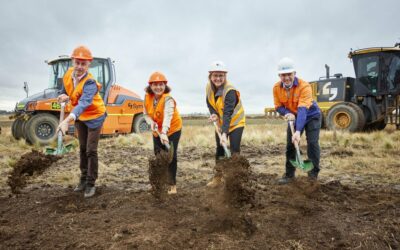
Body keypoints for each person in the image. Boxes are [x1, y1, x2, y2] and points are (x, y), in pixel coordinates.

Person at [57, 45, 107, 198]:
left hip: (94, 117)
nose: (79, 67)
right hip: (80, 117)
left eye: (83, 64)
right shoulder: (68, 75)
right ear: (73, 61)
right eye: (77, 62)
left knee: (91, 150)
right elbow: (65, 89)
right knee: (82, 148)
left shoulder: (90, 83)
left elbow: (84, 103)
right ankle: (83, 179)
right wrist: (63, 95)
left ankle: (91, 183)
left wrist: (67, 120)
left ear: (88, 64)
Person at [272, 57, 322, 185]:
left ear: (294, 73)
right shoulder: (276, 88)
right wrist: (286, 113)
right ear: (279, 75)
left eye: (289, 74)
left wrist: (298, 131)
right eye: (283, 75)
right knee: (290, 146)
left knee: (312, 143)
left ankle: (312, 176)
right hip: (293, 116)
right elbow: (278, 107)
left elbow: (303, 110)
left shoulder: (304, 86)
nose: (286, 77)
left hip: (311, 115)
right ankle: (289, 175)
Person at [206, 61, 246, 187]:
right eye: (215, 75)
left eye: (221, 76)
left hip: (235, 122)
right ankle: (218, 178)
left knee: (234, 151)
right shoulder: (208, 87)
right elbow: (209, 103)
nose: (218, 78)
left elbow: (228, 114)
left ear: (225, 76)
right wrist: (214, 114)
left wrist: (224, 134)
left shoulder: (230, 91)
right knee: (219, 150)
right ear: (210, 76)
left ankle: (236, 180)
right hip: (221, 121)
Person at [143, 71, 182, 194]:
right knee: (158, 154)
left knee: (171, 156)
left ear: (165, 86)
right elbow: (146, 115)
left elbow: (168, 116)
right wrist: (151, 123)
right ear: (151, 86)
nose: (158, 87)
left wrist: (164, 132)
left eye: (161, 84)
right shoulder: (147, 98)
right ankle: (160, 182)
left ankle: (172, 185)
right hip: (157, 130)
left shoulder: (168, 99)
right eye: (155, 84)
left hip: (172, 129)